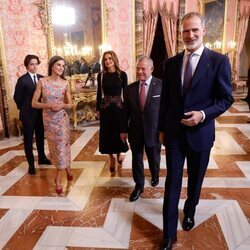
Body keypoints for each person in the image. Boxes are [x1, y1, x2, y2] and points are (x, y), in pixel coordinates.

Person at [158, 12, 234, 250]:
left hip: (201, 135)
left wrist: (203, 115)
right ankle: (169, 234)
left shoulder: (218, 61)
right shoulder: (170, 64)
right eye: (185, 31)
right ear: (180, 33)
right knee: (172, 183)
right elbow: (166, 101)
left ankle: (190, 211)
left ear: (203, 31)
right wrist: (161, 129)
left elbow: (225, 98)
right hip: (174, 134)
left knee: (195, 181)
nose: (189, 35)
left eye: (194, 30)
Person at [120, 55, 162, 202]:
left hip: (154, 131)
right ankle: (139, 185)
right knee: (136, 159)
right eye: (138, 68)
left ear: (151, 68)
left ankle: (155, 174)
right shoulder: (130, 88)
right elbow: (125, 111)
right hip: (135, 131)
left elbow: (165, 111)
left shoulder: (161, 85)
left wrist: (164, 130)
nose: (139, 71)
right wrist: (123, 130)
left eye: (143, 68)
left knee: (154, 157)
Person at [32, 55, 73, 194]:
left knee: (62, 147)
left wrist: (62, 104)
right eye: (58, 65)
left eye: (63, 66)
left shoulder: (65, 83)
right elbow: (34, 103)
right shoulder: (42, 82)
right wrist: (48, 105)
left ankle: (58, 179)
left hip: (62, 120)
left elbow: (70, 104)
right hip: (49, 122)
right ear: (52, 66)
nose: (61, 68)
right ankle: (68, 169)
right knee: (55, 149)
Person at [13, 54, 51, 175]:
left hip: (40, 114)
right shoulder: (22, 80)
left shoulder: (41, 78)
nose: (34, 66)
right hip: (27, 115)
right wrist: (24, 109)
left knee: (40, 137)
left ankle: (42, 158)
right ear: (27, 66)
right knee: (28, 140)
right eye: (31, 64)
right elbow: (17, 98)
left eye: (36, 63)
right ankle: (31, 164)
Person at [96, 50, 128, 173]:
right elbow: (99, 93)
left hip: (119, 110)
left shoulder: (122, 75)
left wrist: (127, 110)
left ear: (114, 59)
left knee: (118, 133)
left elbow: (125, 93)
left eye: (110, 58)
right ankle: (111, 158)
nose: (108, 61)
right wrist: (97, 109)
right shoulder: (101, 75)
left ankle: (119, 154)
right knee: (107, 135)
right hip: (106, 110)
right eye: (105, 59)